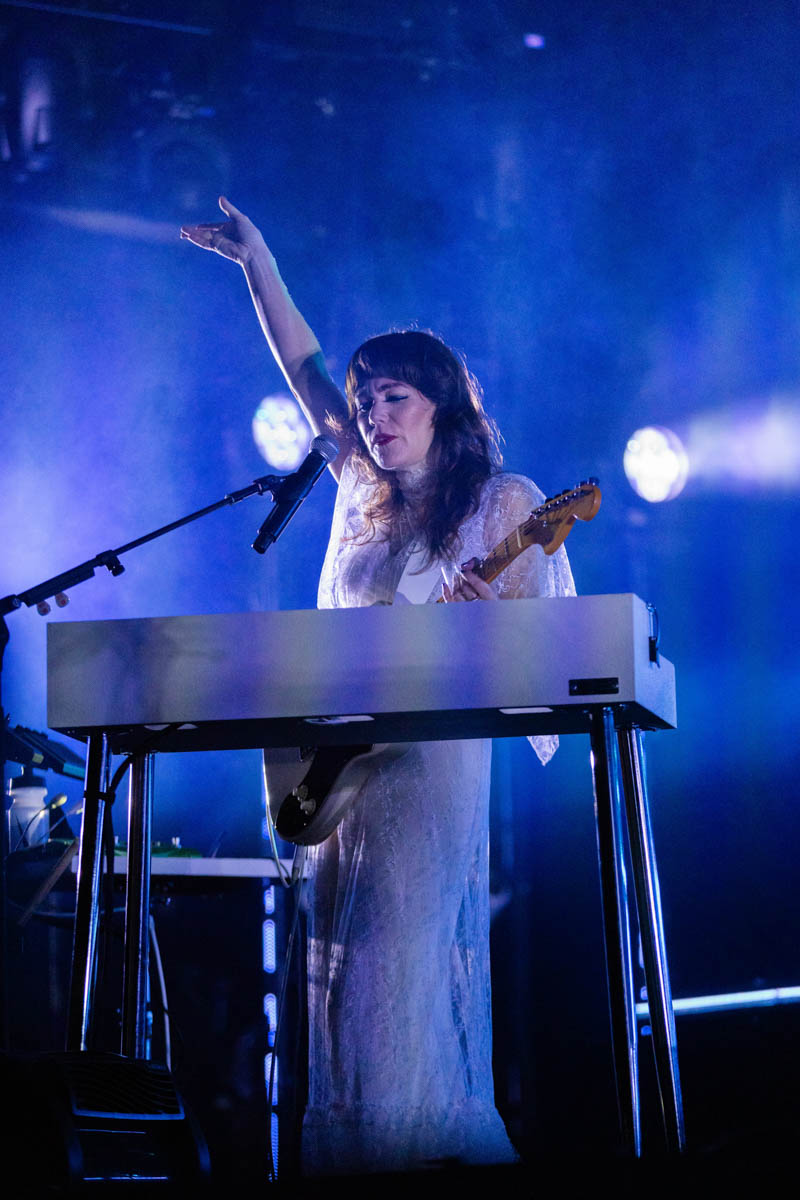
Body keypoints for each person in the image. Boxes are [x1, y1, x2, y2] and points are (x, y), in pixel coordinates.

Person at [181, 198, 575, 1175]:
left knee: (390, 986)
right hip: (342, 763)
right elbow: (305, 368)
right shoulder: (362, 492)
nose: (371, 415)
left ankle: (414, 1161)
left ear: (442, 405)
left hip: (427, 772)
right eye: (365, 404)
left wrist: (484, 616)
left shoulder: (503, 503)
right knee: (340, 992)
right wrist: (257, 263)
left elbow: (543, 650)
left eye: (392, 397)